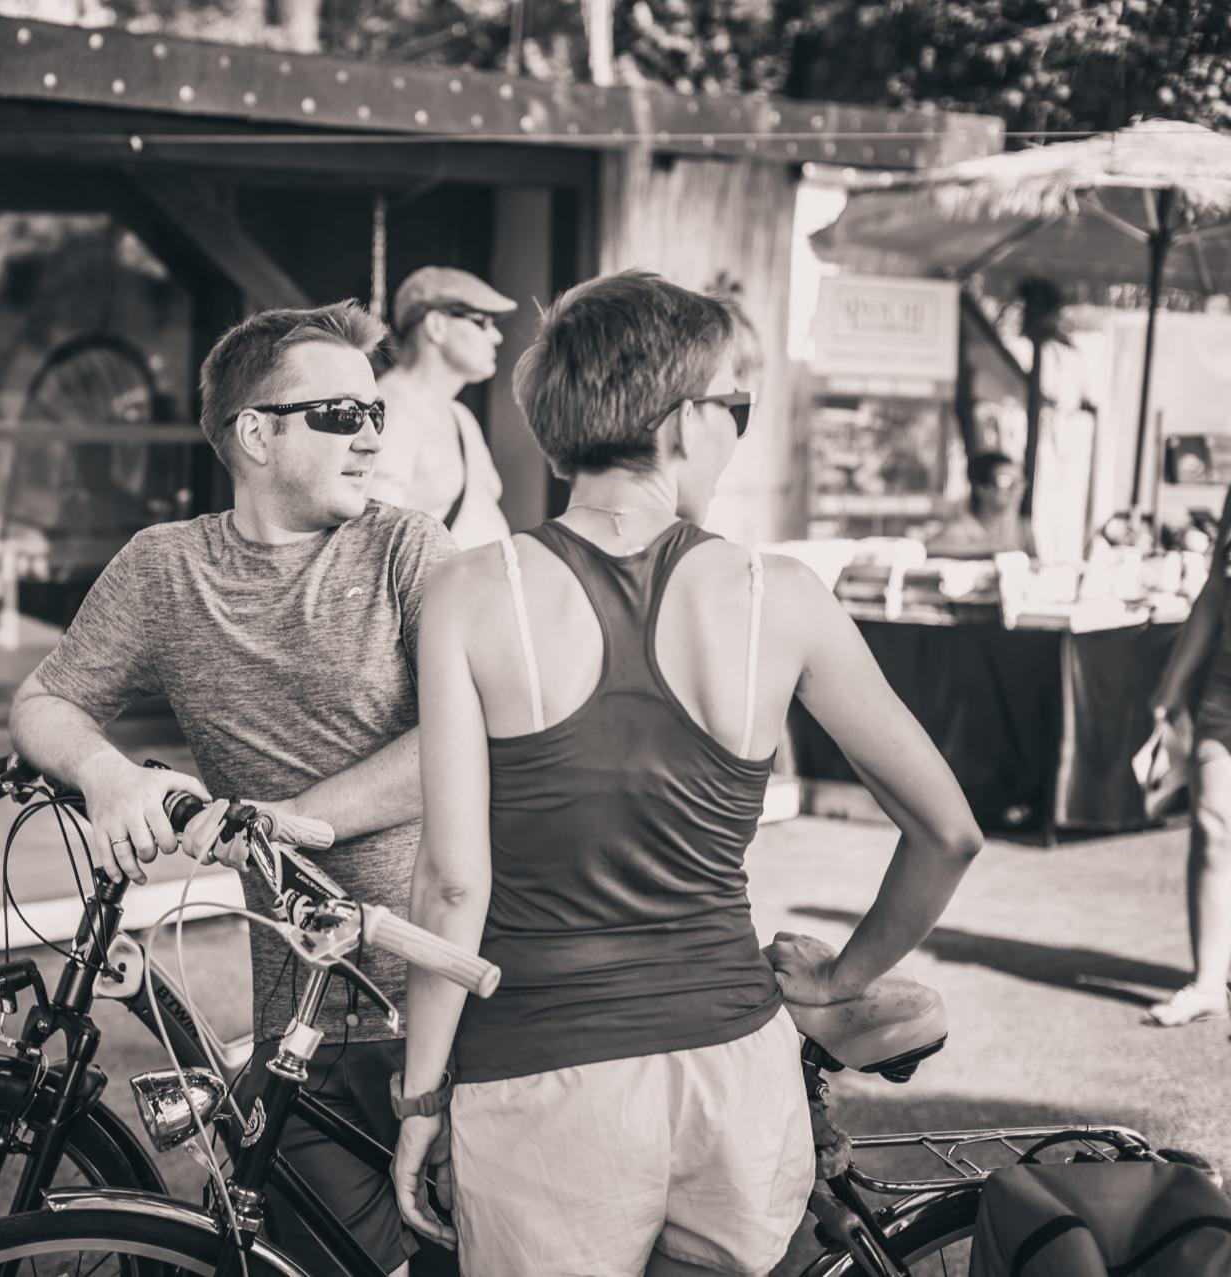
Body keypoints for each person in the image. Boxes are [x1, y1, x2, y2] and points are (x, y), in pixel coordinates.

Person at [392, 271, 982, 1277]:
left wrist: (418, 1099)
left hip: (543, 1082)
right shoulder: (779, 595)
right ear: (678, 419)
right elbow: (948, 829)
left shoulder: (469, 592)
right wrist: (842, 978)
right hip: (733, 1076)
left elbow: (453, 883)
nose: (735, 433)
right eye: (732, 408)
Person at [9, 300, 458, 1276]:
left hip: (454, 988)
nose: (374, 434)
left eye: (378, 411)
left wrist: (302, 817)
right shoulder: (167, 567)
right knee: (311, 1256)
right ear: (255, 430)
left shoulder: (406, 548)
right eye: (343, 412)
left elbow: (473, 737)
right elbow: (45, 699)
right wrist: (108, 771)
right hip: (305, 1012)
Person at [1145, 483, 1231, 1027]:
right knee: (1211, 825)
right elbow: (1215, 592)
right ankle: (1208, 983)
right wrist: (1172, 685)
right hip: (1225, 687)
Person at [367, 267, 517, 549]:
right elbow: (375, 535)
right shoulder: (394, 405)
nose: (496, 336)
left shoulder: (460, 416)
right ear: (437, 325)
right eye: (481, 321)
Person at [923, 451, 1037, 559]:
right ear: (980, 488)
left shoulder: (1023, 530)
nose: (1016, 489)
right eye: (1004, 482)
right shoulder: (961, 529)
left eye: (1020, 482)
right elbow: (930, 549)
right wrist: (992, 549)